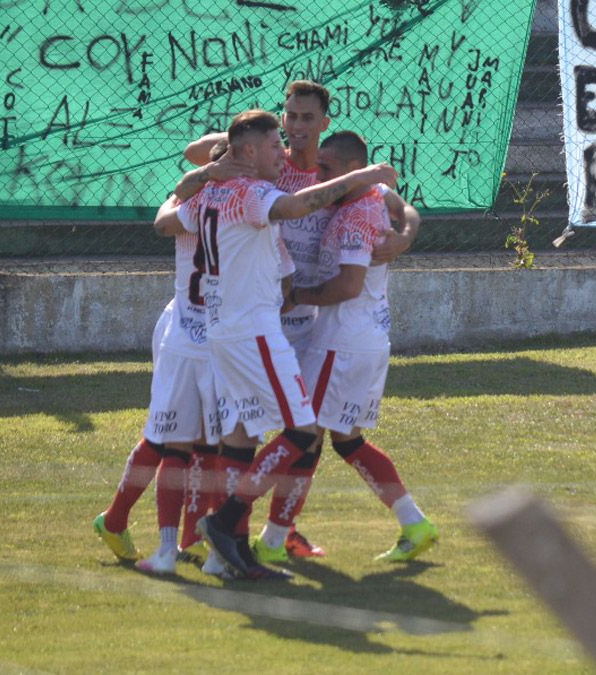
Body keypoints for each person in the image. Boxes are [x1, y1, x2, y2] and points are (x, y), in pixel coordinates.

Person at [174, 80, 422, 564]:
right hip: (264, 318)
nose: (297, 127)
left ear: (325, 122)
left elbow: (401, 207)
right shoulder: (272, 166)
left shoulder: (336, 167)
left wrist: (406, 236)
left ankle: (269, 536)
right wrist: (223, 160)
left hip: (307, 317)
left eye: (307, 118)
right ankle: (231, 531)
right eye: (290, 117)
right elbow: (194, 151)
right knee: (276, 430)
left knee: (292, 440)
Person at [289, 131, 438, 561]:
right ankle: (414, 523)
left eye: (328, 169)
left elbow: (348, 286)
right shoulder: (372, 193)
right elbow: (403, 207)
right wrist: (405, 233)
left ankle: (270, 533)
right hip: (364, 338)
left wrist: (296, 296)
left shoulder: (355, 213)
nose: (321, 177)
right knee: (343, 442)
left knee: (303, 436)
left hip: (342, 341)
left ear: (355, 171)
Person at [92, 208, 227, 575]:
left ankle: (189, 539)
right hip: (188, 330)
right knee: (172, 437)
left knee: (206, 439)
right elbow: (165, 220)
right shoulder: (222, 197)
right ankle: (127, 523)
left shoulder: (228, 193)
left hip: (213, 332)